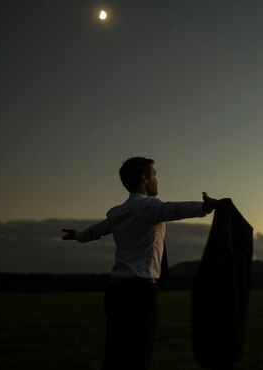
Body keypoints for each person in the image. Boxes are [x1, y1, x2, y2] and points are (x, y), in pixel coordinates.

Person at [61, 156, 217, 370]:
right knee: (138, 356)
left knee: (115, 354)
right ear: (144, 177)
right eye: (154, 174)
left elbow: (98, 230)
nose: (157, 180)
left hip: (116, 291)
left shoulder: (118, 212)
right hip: (139, 292)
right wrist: (204, 207)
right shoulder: (148, 206)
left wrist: (77, 235)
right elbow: (173, 209)